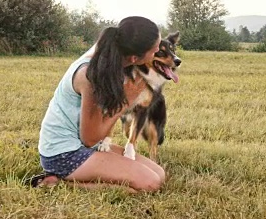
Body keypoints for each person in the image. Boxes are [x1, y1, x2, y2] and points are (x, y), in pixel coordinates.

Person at [30, 16, 166, 193]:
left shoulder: (110, 54)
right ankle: (60, 182)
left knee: (159, 174)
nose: (158, 52)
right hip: (64, 155)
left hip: (85, 147)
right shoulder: (90, 75)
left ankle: (67, 178)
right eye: (155, 51)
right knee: (150, 183)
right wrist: (126, 102)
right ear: (134, 58)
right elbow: (90, 139)